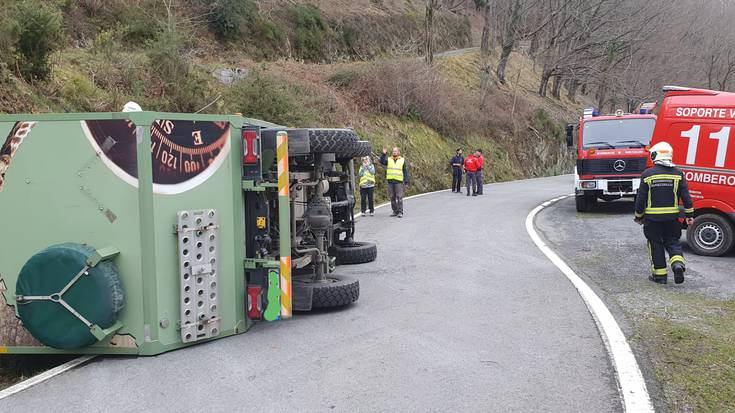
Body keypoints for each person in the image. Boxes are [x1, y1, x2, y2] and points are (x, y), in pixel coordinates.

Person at [634, 141, 694, 285]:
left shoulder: (647, 175)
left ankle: (660, 276)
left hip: (652, 219)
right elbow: (686, 196)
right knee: (673, 242)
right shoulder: (678, 174)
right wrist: (690, 215)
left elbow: (641, 198)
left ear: (656, 155)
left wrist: (638, 216)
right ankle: (678, 265)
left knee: (655, 244)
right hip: (672, 218)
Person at [380, 146, 409, 218]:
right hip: (390, 181)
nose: (394, 152)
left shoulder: (402, 160)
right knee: (392, 197)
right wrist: (384, 154)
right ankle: (395, 211)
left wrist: (406, 181)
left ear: (399, 152)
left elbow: (405, 171)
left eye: (395, 151)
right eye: (393, 151)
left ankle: (400, 212)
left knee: (399, 197)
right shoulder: (389, 159)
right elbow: (382, 162)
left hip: (398, 181)